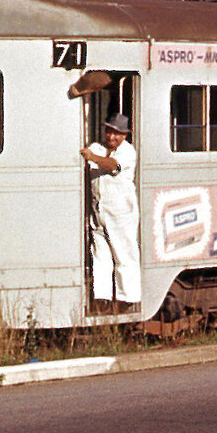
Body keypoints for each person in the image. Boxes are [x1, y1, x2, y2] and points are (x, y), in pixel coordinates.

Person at [81, 112, 139, 312]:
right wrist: (90, 154)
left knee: (124, 253)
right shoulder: (98, 148)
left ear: (124, 135)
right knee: (100, 254)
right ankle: (102, 298)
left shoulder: (127, 152)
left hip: (121, 211)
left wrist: (92, 158)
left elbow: (113, 166)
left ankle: (128, 297)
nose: (112, 137)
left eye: (117, 134)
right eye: (109, 132)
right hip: (99, 211)